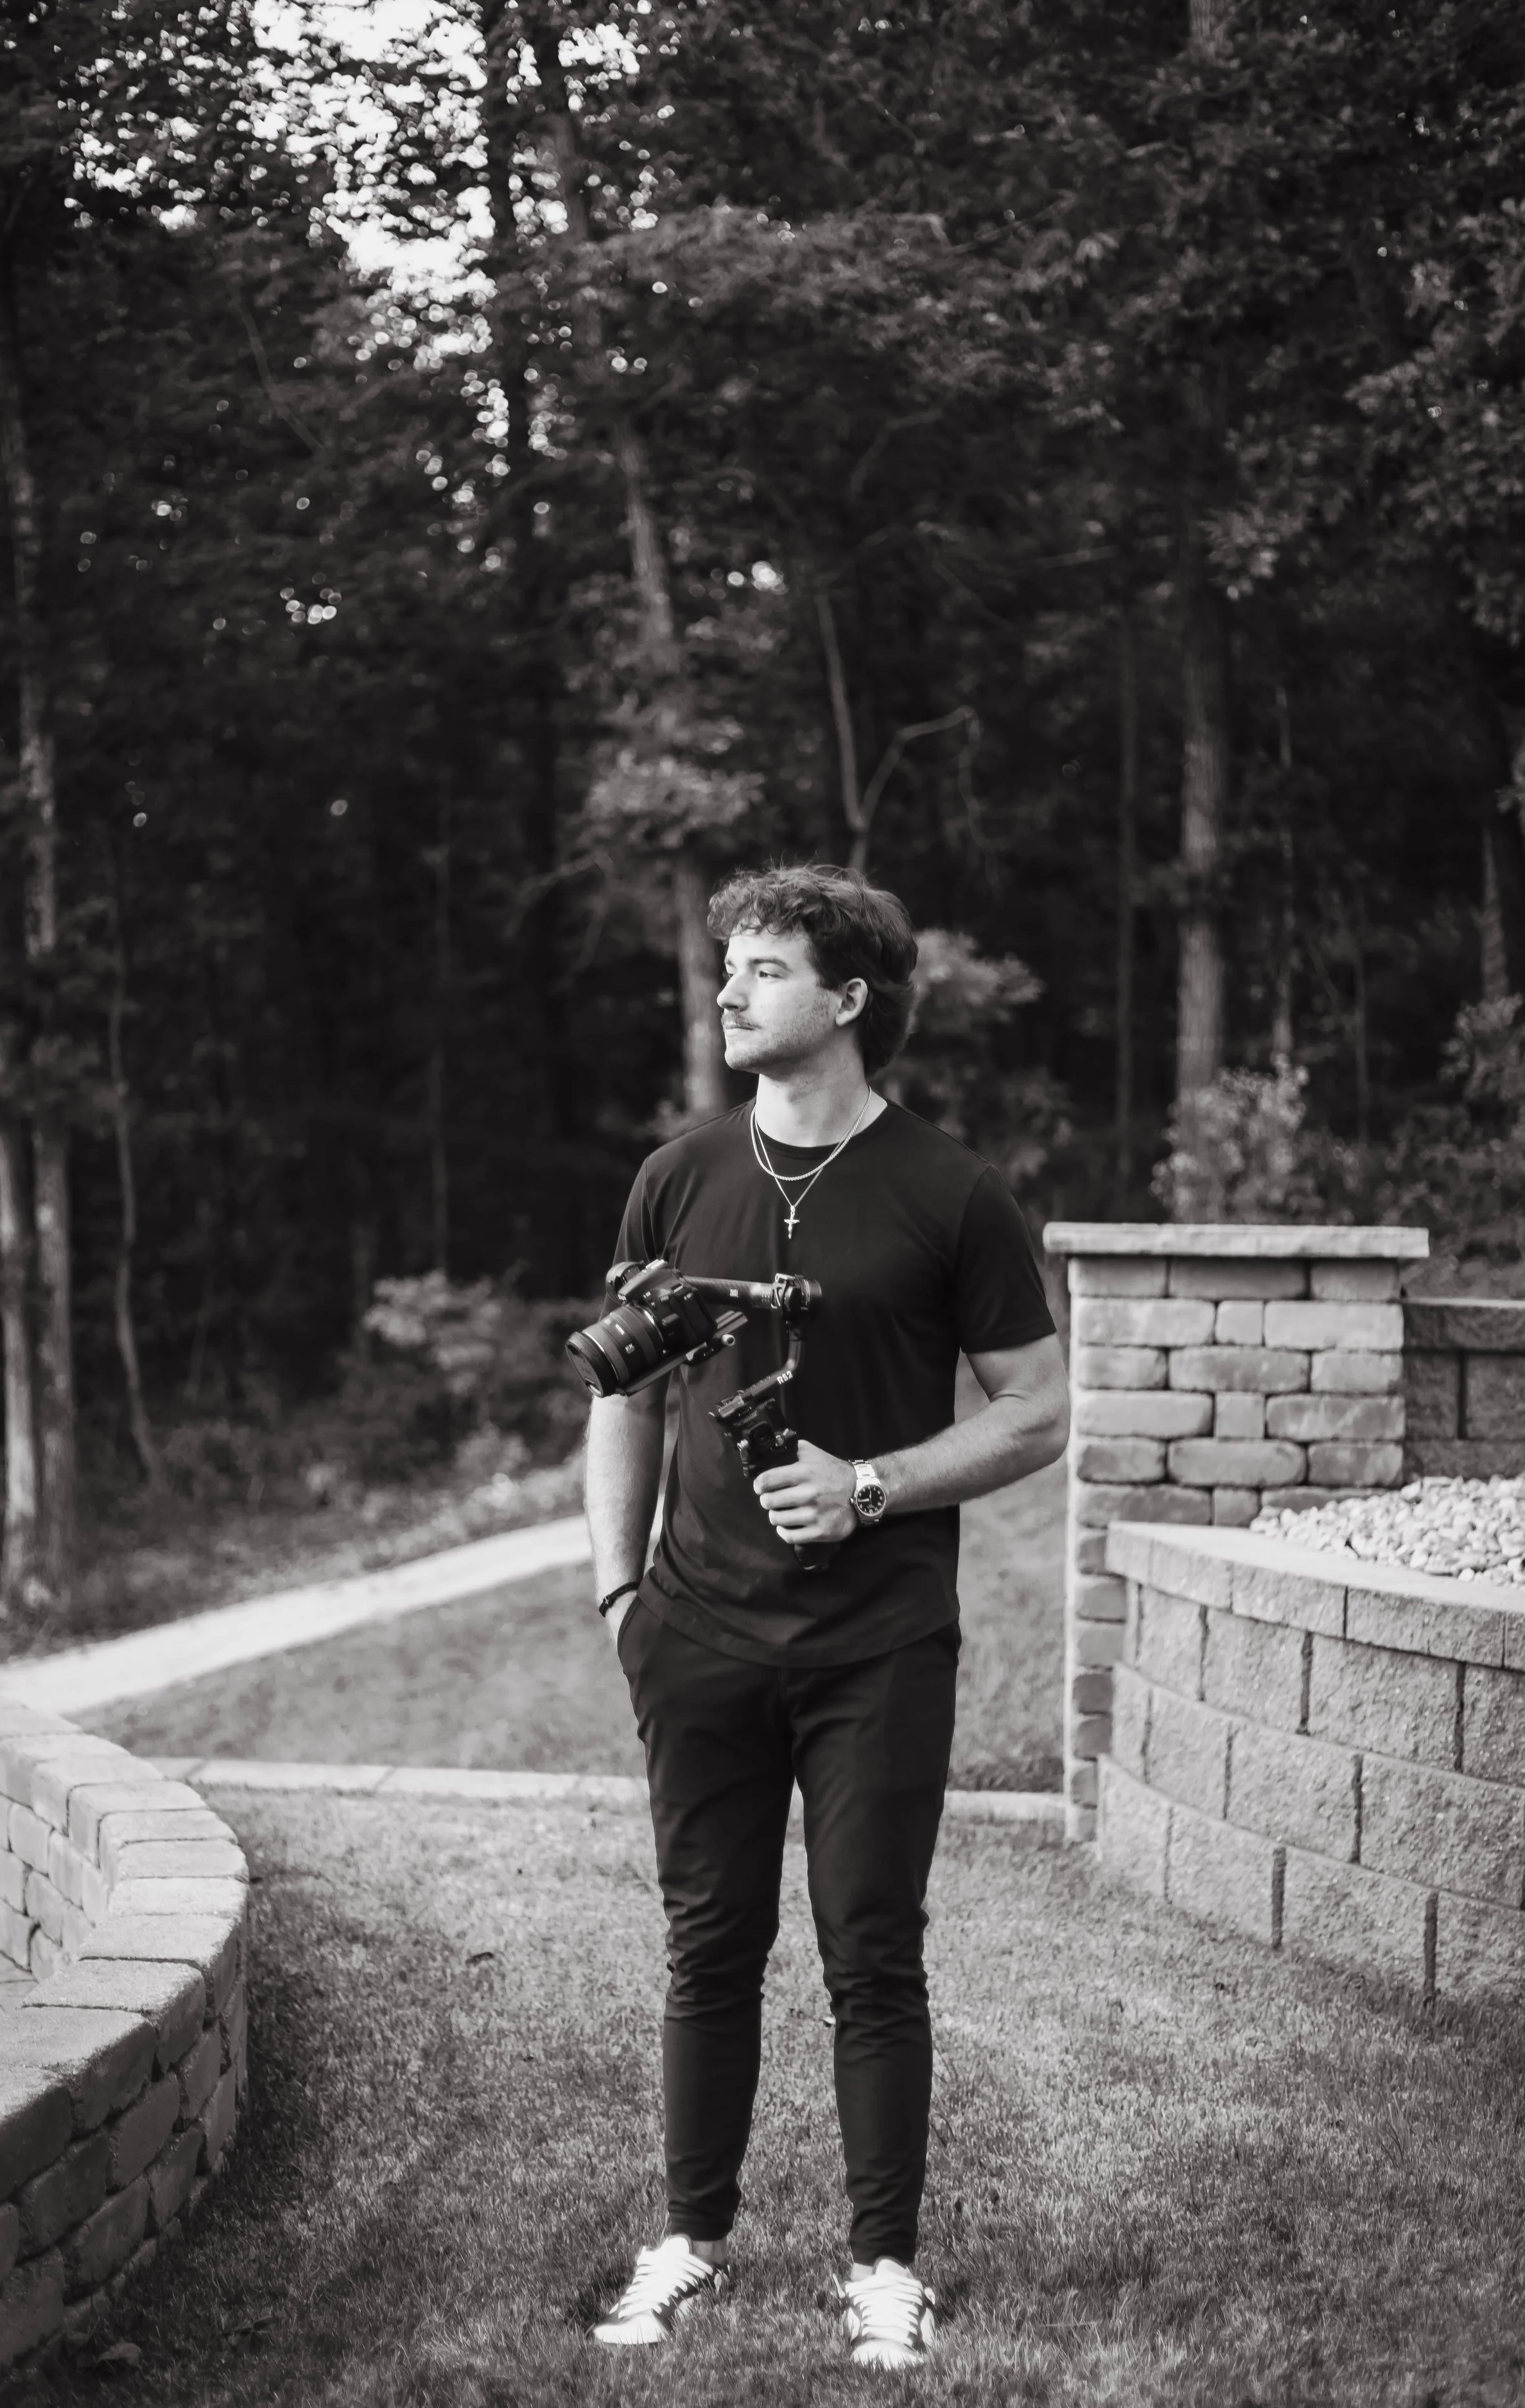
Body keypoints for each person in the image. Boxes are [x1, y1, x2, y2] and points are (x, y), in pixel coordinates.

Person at [584, 864, 1068, 2371]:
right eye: (728, 966)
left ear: (847, 1000)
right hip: (699, 1634)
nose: (728, 991)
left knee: (871, 1953)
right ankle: (687, 2241)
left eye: (765, 968)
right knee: (706, 1945)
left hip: (876, 1643)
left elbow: (1039, 1412)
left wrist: (874, 1485)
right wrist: (617, 1593)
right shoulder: (676, 1175)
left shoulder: (950, 1192)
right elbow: (627, 1399)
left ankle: (882, 2268)